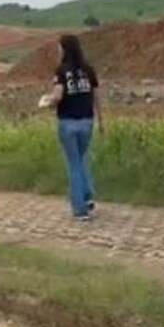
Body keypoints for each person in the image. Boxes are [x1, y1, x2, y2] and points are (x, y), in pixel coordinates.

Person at [46, 34, 103, 221]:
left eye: (59, 47)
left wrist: (47, 102)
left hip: (68, 122)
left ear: (64, 49)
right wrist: (101, 121)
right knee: (81, 159)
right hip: (87, 121)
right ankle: (87, 196)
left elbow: (58, 96)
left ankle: (80, 209)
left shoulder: (61, 71)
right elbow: (96, 97)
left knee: (74, 165)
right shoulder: (89, 70)